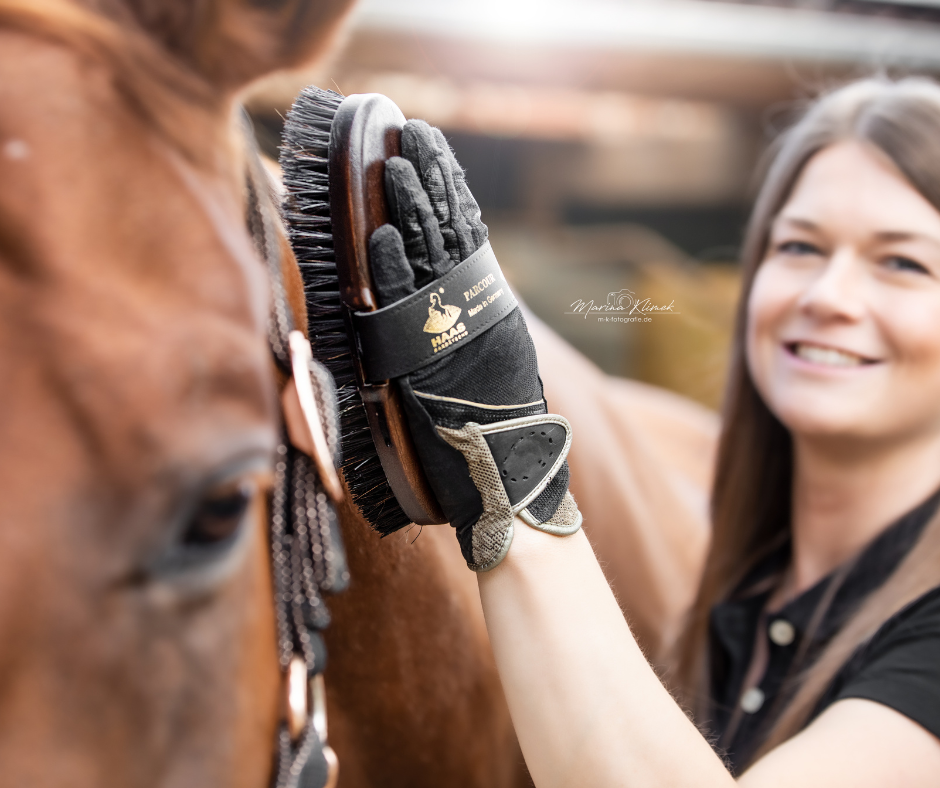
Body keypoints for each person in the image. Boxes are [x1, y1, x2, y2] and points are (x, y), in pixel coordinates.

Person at [366, 77, 940, 786]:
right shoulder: (741, 593)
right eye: (799, 248)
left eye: (903, 262)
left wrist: (510, 467)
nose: (828, 296)